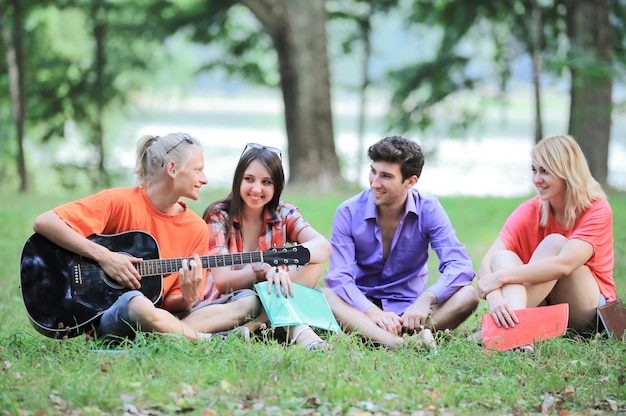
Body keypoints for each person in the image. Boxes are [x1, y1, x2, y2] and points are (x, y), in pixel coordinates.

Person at [32, 132, 260, 342]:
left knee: (249, 301)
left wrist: (188, 297)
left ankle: (167, 337)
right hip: (118, 315)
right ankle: (206, 340)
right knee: (138, 304)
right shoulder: (119, 201)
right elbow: (45, 222)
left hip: (163, 316)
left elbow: (172, 303)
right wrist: (106, 258)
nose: (205, 179)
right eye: (198, 170)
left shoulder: (196, 228)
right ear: (172, 169)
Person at [322, 135, 479, 349]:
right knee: (327, 295)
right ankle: (400, 344)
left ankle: (378, 337)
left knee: (468, 295)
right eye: (373, 171)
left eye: (386, 176)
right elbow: (339, 277)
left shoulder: (429, 208)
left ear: (410, 181)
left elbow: (460, 265)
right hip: (362, 308)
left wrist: (427, 298)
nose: (374, 183)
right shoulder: (348, 212)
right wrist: (373, 312)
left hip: (411, 311)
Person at [476, 135, 616, 348]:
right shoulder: (530, 210)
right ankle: (517, 336)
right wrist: (495, 297)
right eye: (534, 170)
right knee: (502, 256)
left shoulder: (596, 210)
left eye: (545, 171)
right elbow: (487, 264)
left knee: (555, 244)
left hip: (588, 311)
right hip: (545, 305)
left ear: (566, 172)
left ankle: (499, 332)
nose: (536, 179)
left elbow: (565, 265)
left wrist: (501, 277)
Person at [203, 142, 333, 350]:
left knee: (313, 261)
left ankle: (254, 325)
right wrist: (262, 270)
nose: (256, 189)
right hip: (232, 300)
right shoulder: (219, 215)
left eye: (266, 182)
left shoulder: (284, 214)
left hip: (269, 293)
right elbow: (222, 282)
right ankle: (301, 333)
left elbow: (323, 247)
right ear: (238, 180)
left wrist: (278, 265)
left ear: (277, 186)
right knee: (268, 287)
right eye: (249, 180)